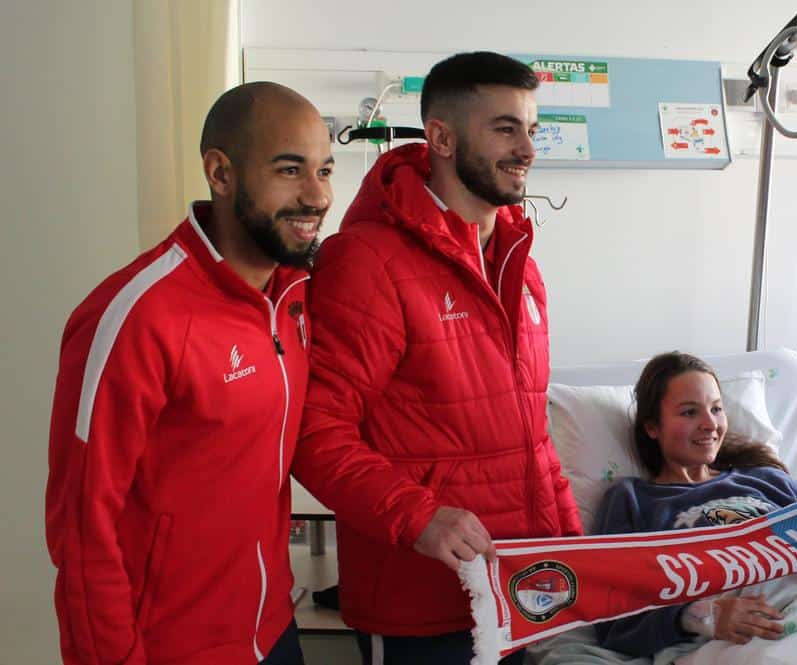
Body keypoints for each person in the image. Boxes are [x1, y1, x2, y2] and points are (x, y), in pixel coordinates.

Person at [291, 51, 581, 665]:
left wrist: (572, 553)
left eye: (532, 129)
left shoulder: (519, 265)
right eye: (504, 128)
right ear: (442, 137)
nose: (527, 149)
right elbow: (314, 433)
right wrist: (417, 516)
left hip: (517, 590)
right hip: (421, 608)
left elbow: (534, 439)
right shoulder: (368, 263)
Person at [46, 82, 333, 664]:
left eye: (324, 170)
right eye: (289, 170)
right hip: (173, 648)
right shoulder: (137, 315)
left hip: (274, 629)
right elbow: (83, 530)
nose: (317, 195)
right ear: (220, 173)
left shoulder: (295, 297)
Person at [593, 352, 797, 657]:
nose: (709, 424)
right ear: (652, 427)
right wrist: (702, 615)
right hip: (735, 643)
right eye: (689, 413)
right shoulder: (633, 500)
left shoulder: (768, 480)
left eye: (716, 409)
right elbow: (611, 619)